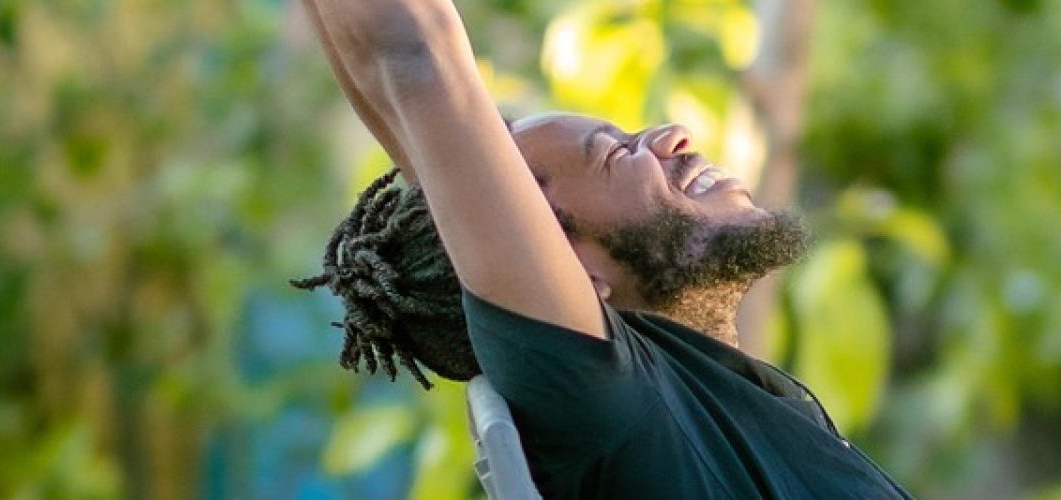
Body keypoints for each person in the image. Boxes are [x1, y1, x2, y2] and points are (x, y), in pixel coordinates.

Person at [290, 0, 911, 497]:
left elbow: (399, 101)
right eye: (617, 156)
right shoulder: (614, 408)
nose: (673, 135)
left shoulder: (687, 386)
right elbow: (412, 55)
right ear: (571, 269)